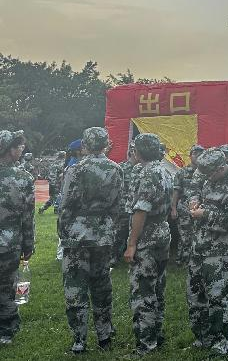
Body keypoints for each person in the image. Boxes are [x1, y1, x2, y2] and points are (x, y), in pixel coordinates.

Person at [58, 127, 122, 354]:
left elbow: (66, 204)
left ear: (84, 145)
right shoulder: (115, 169)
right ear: (105, 144)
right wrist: (110, 228)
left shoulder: (75, 169)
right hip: (103, 234)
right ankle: (104, 336)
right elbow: (117, 205)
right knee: (101, 285)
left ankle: (79, 340)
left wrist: (63, 231)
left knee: (75, 287)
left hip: (77, 235)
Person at [186, 148, 228, 357]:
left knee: (217, 298)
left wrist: (205, 214)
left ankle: (222, 343)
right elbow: (195, 188)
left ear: (222, 168)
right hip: (200, 246)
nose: (206, 177)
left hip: (220, 251)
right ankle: (202, 337)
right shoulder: (209, 178)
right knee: (195, 294)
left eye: (210, 173)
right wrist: (194, 200)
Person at [124, 133, 173, 355]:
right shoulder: (164, 170)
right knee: (157, 288)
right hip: (162, 231)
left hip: (147, 236)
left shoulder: (147, 173)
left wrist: (132, 244)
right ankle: (156, 334)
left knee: (143, 291)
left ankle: (146, 343)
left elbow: (141, 210)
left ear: (138, 151)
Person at [0, 130, 34, 346]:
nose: (21, 150)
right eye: (18, 147)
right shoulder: (23, 178)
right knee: (6, 286)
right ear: (9, 150)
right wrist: (28, 244)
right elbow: (27, 217)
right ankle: (6, 331)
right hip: (10, 242)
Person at [172, 145, 204, 266]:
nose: (198, 156)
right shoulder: (182, 172)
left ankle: (191, 260)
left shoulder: (205, 173)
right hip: (184, 209)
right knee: (184, 236)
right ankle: (182, 260)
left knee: (196, 235)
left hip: (199, 209)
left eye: (201, 154)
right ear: (190, 156)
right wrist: (173, 208)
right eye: (195, 153)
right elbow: (176, 192)